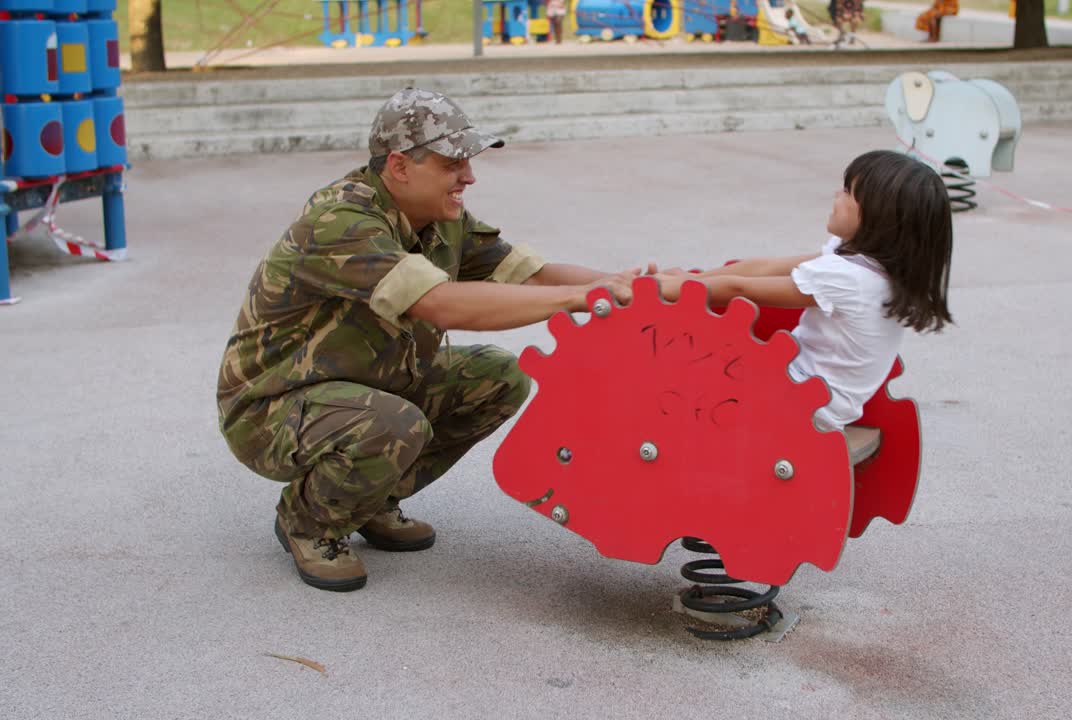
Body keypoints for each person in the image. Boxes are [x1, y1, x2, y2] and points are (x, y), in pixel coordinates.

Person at [217, 88, 638, 592]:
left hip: (361, 385)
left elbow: (530, 275)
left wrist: (625, 289)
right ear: (399, 165)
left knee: (498, 377)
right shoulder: (338, 223)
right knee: (393, 425)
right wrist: (576, 297)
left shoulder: (439, 220)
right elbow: (438, 302)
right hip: (272, 409)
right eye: (452, 162)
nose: (469, 176)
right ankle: (308, 522)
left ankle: (369, 500)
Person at [657, 150, 953, 432]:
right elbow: (765, 267)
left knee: (683, 362)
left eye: (848, 192)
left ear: (878, 216)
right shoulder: (873, 267)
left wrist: (667, 290)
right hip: (809, 392)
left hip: (806, 406)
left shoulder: (848, 278)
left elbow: (741, 288)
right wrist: (690, 279)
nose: (837, 196)